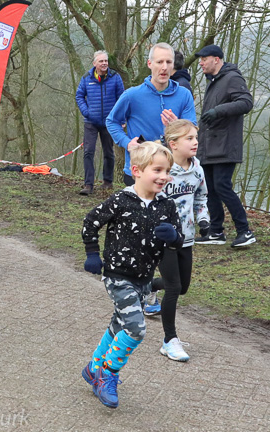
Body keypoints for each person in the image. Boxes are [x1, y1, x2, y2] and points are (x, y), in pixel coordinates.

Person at [81, 141, 183, 408]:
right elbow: (90, 223)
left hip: (144, 279)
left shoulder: (167, 206)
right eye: (157, 170)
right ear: (137, 170)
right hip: (117, 275)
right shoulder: (120, 200)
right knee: (136, 329)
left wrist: (173, 237)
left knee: (119, 324)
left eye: (167, 171)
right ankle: (107, 373)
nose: (164, 176)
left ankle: (93, 367)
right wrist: (93, 254)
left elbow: (178, 239)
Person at [142, 119, 208, 361]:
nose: (195, 142)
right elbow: (147, 199)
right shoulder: (163, 171)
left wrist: (204, 221)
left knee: (183, 287)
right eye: (189, 138)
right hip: (163, 237)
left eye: (195, 138)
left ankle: (147, 287)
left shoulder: (198, 170)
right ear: (173, 144)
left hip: (186, 239)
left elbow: (201, 200)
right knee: (173, 287)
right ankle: (169, 340)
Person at [106, 43, 196, 186]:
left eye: (169, 62)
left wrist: (178, 126)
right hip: (139, 171)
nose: (164, 67)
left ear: (173, 66)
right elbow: (111, 121)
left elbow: (193, 129)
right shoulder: (132, 95)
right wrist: (127, 143)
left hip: (173, 171)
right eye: (159, 62)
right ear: (150, 63)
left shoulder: (184, 95)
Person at [194, 44, 255, 248]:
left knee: (222, 186)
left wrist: (218, 111)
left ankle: (245, 231)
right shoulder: (214, 81)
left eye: (204, 59)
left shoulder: (232, 78)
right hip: (209, 146)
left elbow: (246, 102)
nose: (201, 63)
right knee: (210, 189)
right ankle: (216, 232)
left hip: (225, 145)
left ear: (217, 59)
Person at [75, 50, 125, 195]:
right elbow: (79, 96)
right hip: (91, 122)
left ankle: (108, 182)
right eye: (101, 61)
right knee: (88, 152)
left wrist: (120, 119)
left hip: (110, 122)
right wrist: (86, 112)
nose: (104, 63)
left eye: (106, 61)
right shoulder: (86, 78)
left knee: (109, 152)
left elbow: (122, 99)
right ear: (94, 63)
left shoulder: (115, 77)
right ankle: (88, 185)